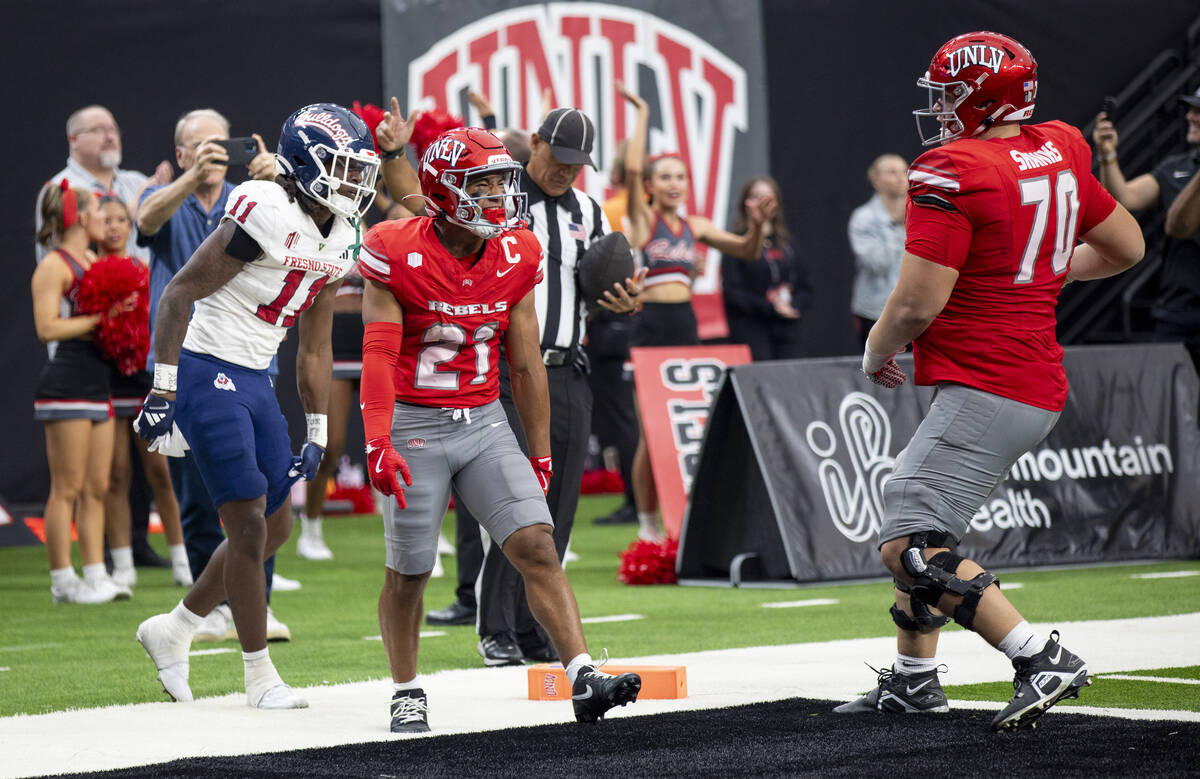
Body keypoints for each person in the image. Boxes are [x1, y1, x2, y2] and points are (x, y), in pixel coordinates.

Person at [839, 31, 1144, 732]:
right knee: (920, 514)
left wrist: (875, 347)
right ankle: (915, 679)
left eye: (950, 93)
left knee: (907, 538)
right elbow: (1127, 246)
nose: (940, 106)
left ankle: (1040, 654)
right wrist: (1039, 267)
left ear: (983, 98)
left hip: (993, 378)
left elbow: (916, 303)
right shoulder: (1061, 144)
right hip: (1027, 375)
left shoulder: (953, 168)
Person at [358, 125, 641, 731]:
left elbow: (526, 361)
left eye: (499, 183)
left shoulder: (517, 250)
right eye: (481, 184)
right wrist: (378, 440)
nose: (496, 197)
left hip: (484, 417)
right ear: (443, 189)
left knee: (538, 543)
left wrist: (538, 453)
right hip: (416, 419)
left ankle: (583, 676)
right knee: (409, 571)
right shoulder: (394, 246)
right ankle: (406, 690)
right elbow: (379, 353)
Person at [132, 103, 380, 709]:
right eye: (342, 170)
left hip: (255, 375)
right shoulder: (264, 206)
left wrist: (317, 428)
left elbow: (315, 346)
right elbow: (179, 293)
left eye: (359, 171)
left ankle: (175, 628)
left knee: (278, 523)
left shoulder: (343, 235)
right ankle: (258, 676)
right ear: (304, 165)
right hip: (203, 365)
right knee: (244, 520)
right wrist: (163, 389)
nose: (355, 185)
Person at [432, 107, 642, 665]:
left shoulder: (589, 212)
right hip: (503, 370)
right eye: (560, 159)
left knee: (559, 506)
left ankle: (533, 629)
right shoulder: (497, 197)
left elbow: (597, 286)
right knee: (512, 502)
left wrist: (618, 299)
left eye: (578, 165)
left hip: (568, 368)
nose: (567, 172)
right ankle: (494, 627)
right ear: (536, 144)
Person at [135, 108, 292, 640]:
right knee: (203, 495)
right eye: (199, 146)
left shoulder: (254, 199)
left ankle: (253, 601)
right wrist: (186, 180)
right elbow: (146, 222)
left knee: (264, 492)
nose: (213, 154)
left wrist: (280, 188)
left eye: (220, 144)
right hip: (186, 359)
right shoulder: (165, 195)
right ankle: (215, 608)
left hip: (252, 358)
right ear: (180, 153)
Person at [619, 82, 774, 542]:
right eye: (664, 177)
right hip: (649, 328)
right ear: (651, 186)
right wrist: (644, 113)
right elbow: (630, 172)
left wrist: (759, 225)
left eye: (679, 177)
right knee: (650, 434)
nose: (673, 184)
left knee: (684, 431)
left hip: (686, 327)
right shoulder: (643, 220)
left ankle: (686, 521)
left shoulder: (697, 226)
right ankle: (648, 525)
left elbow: (746, 251)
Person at [297, 98, 420, 561]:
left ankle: (413, 519)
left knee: (402, 439)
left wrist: (388, 177)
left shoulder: (382, 214)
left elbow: (412, 215)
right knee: (328, 441)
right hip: (337, 334)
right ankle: (310, 525)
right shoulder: (322, 212)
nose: (353, 179)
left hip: (381, 336)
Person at [31, 181, 133, 604]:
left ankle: (95, 573)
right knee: (66, 488)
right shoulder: (54, 265)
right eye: (95, 211)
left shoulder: (92, 259)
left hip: (98, 383)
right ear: (77, 217)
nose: (103, 218)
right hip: (67, 384)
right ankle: (62, 581)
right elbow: (47, 327)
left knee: (97, 486)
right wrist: (100, 319)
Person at [95, 196, 190, 588]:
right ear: (91, 225)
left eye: (121, 219)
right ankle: (122, 565)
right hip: (106, 379)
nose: (115, 227)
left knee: (160, 472)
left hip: (143, 379)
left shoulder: (143, 269)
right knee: (116, 475)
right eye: (107, 220)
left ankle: (183, 560)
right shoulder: (86, 273)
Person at [1093, 86, 1200, 371]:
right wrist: (1107, 155)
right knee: (1166, 407)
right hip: (1177, 312)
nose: (1190, 117)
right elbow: (1124, 199)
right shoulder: (1175, 167)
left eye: (1198, 111)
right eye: (1191, 110)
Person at [35, 105, 170, 265]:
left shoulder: (137, 182)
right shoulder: (61, 188)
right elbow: (55, 257)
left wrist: (166, 200)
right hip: (90, 288)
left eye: (114, 130)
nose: (110, 137)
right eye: (98, 130)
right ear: (73, 139)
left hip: (145, 287)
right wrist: (129, 212)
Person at [721, 175, 810, 361]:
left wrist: (794, 305)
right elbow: (732, 292)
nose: (763, 203)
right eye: (757, 197)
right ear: (746, 203)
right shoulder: (736, 242)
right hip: (752, 326)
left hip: (786, 326)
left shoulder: (787, 243)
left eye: (768, 198)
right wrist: (770, 307)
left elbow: (805, 285)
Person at [848, 154, 907, 349]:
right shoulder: (863, 218)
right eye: (892, 172)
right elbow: (877, 263)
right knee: (880, 374)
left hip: (915, 308)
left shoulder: (923, 213)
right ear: (875, 180)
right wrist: (899, 226)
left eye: (904, 172)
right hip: (875, 311)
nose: (900, 178)